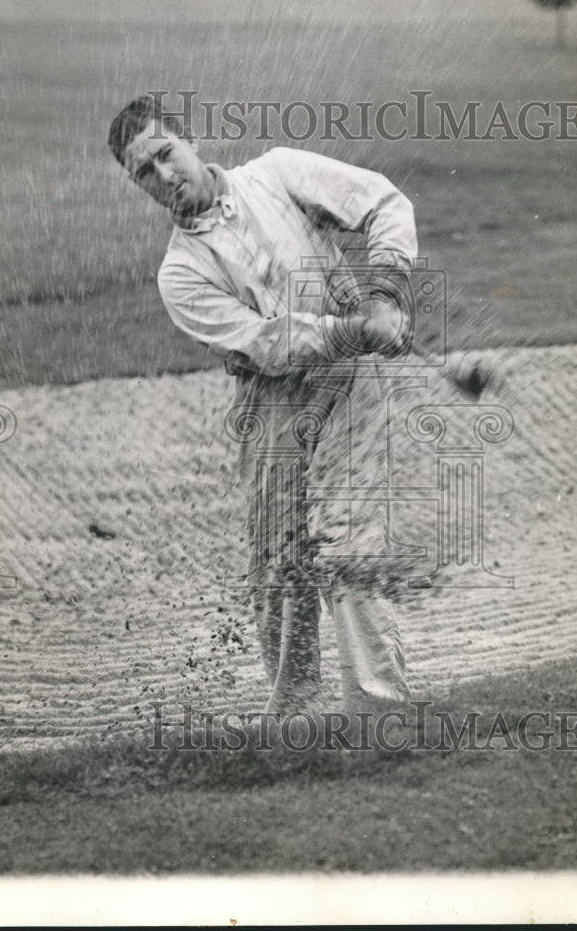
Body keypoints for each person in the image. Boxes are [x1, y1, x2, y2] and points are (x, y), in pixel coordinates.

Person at [108, 94, 417, 717]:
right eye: (146, 172)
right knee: (279, 561)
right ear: (136, 183)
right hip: (272, 398)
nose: (166, 177)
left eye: (167, 154)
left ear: (190, 140)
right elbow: (269, 344)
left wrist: (384, 292)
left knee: (346, 540)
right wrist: (359, 326)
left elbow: (383, 201)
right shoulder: (180, 274)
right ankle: (296, 716)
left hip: (349, 384)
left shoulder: (275, 173)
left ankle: (382, 717)